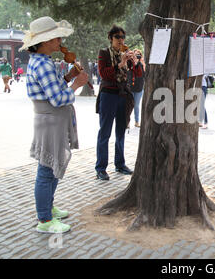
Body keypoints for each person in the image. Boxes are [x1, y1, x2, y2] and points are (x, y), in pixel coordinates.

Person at [19, 16, 88, 234]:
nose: (60, 41)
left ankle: (47, 207)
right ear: (45, 41)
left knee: (51, 167)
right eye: (56, 37)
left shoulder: (44, 61)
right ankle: (44, 219)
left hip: (51, 121)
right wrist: (77, 84)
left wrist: (68, 76)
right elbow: (57, 99)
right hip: (50, 121)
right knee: (47, 170)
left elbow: (54, 88)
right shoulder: (43, 64)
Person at [95, 25, 138, 181]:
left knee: (120, 131)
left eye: (122, 37)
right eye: (117, 37)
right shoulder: (104, 53)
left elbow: (138, 74)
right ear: (111, 38)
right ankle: (100, 168)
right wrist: (120, 63)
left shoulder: (126, 53)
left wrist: (134, 61)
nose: (121, 40)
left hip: (123, 95)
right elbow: (104, 73)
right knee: (105, 132)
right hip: (108, 95)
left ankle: (120, 164)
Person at [130, 49, 146, 128]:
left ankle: (136, 121)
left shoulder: (142, 64)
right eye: (135, 54)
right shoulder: (130, 63)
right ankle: (127, 121)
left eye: (138, 54)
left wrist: (143, 64)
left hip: (139, 87)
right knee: (129, 105)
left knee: (136, 105)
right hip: (130, 87)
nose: (137, 56)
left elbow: (145, 75)